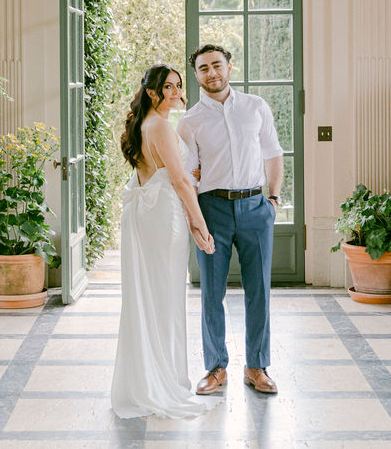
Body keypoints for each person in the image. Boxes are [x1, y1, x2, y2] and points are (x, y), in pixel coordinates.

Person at [110, 64, 222, 419]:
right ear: (152, 92)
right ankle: (161, 382)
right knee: (165, 297)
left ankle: (150, 379)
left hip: (147, 213)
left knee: (151, 297)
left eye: (177, 86)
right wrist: (201, 227)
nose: (176, 93)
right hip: (163, 217)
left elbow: (171, 175)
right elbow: (179, 182)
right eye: (168, 87)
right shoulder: (161, 126)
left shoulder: (145, 124)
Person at [177, 44, 284, 396]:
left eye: (217, 65)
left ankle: (257, 366)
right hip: (212, 210)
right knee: (211, 292)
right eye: (204, 68)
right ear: (196, 76)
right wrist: (196, 221)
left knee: (259, 292)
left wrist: (273, 199)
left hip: (255, 207)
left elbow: (273, 153)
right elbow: (189, 176)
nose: (212, 73)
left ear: (229, 67)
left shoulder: (256, 107)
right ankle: (215, 367)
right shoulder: (189, 121)